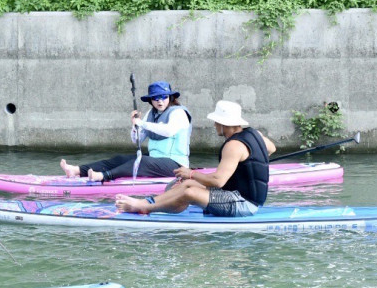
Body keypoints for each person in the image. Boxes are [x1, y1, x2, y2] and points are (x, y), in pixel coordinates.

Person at [116, 100, 275, 217]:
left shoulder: (233, 145)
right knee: (187, 184)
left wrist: (190, 173)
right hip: (235, 194)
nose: (214, 126)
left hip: (243, 203)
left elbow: (218, 181)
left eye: (215, 122)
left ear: (222, 123)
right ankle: (146, 203)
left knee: (190, 192)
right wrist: (247, 166)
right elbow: (271, 149)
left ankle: (141, 207)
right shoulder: (256, 134)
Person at [60, 81, 191, 182]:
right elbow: (136, 139)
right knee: (121, 159)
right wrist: (135, 126)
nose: (160, 101)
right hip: (155, 160)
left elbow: (169, 131)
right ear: (151, 100)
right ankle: (76, 170)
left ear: (170, 97)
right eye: (156, 98)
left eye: (163, 96)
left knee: (142, 161)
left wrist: (142, 123)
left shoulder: (178, 112)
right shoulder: (151, 114)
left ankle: (102, 176)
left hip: (176, 165)